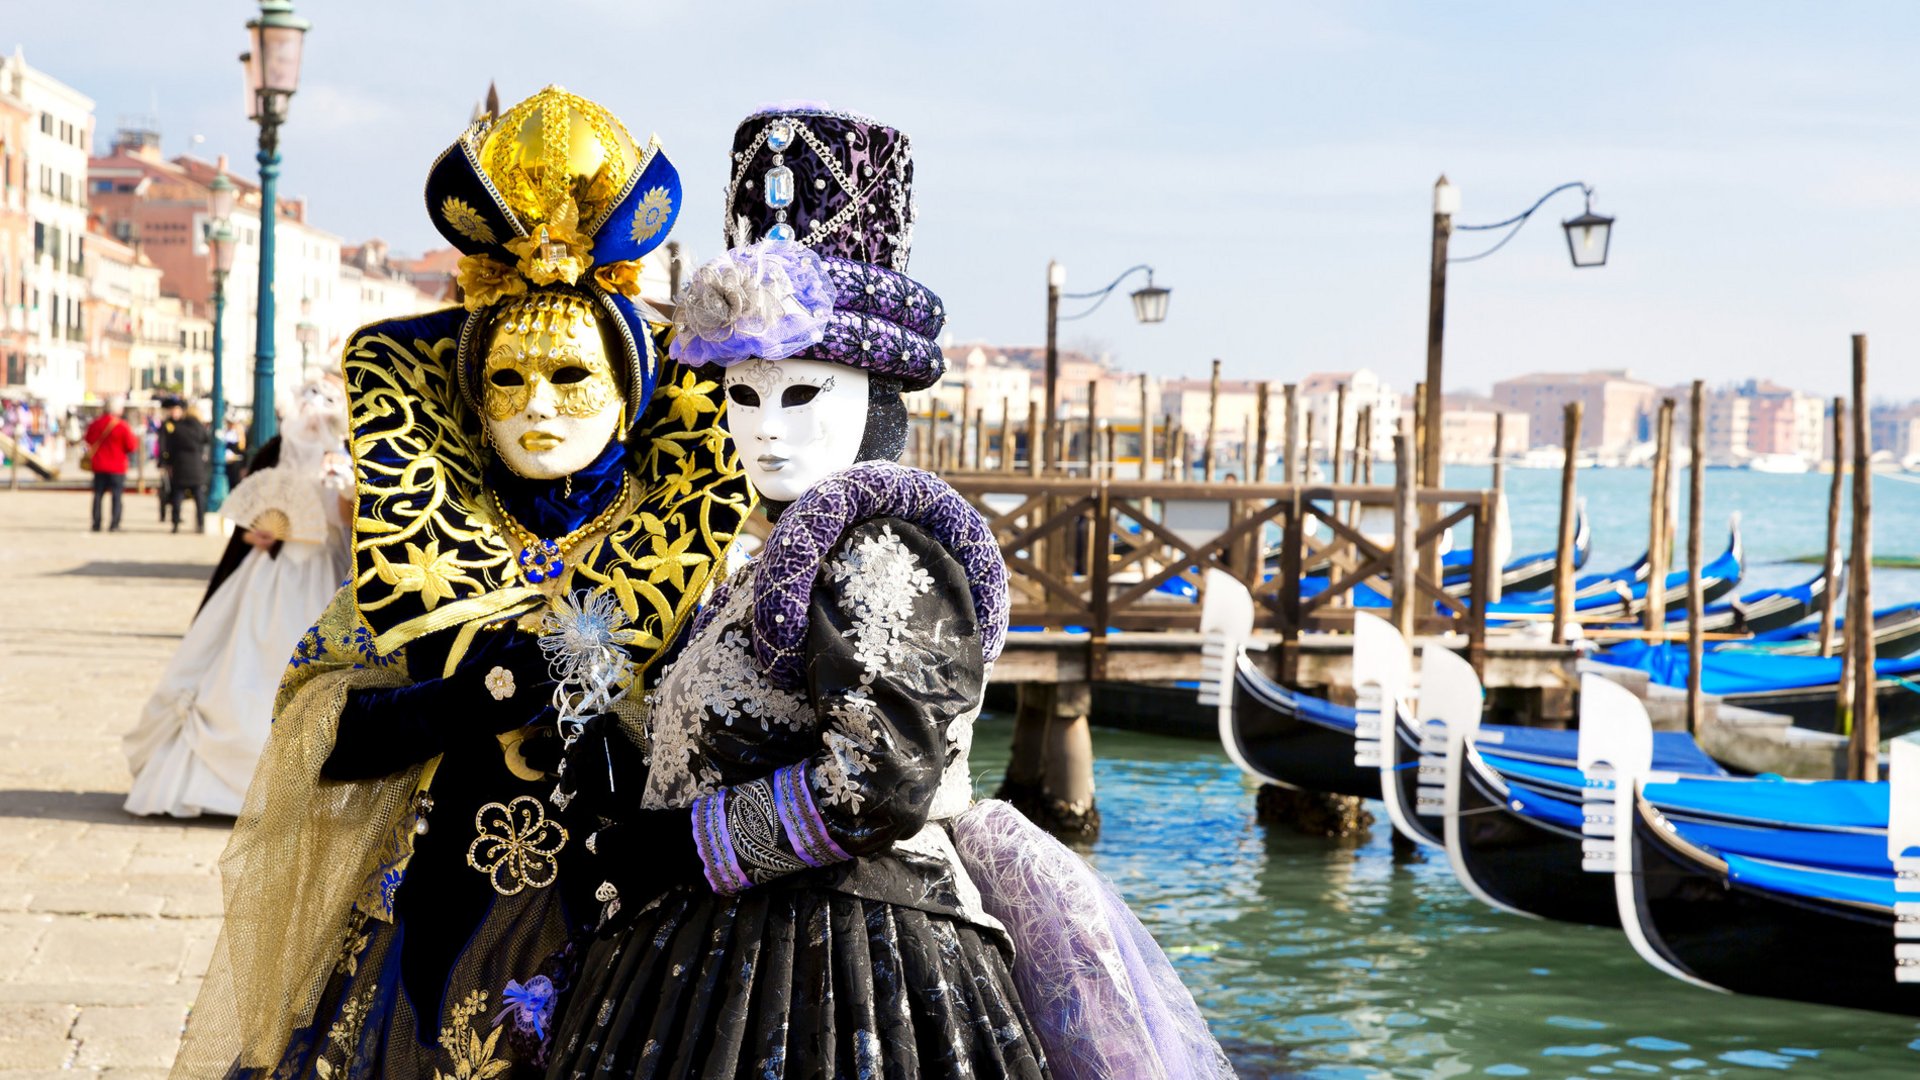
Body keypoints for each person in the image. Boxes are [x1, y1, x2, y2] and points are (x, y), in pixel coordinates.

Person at [545, 104, 1232, 1080]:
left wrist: (674, 850)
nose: (764, 430)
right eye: (741, 395)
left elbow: (879, 786)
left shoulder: (885, 547)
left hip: (850, 969)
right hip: (705, 959)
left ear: (875, 395)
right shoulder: (770, 554)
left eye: (800, 394)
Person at [169, 86, 752, 1080]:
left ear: (629, 402)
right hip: (428, 930)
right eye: (507, 383)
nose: (537, 408)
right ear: (471, 406)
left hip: (623, 935)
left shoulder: (700, 561)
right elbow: (321, 741)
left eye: (571, 379)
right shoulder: (425, 549)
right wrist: (464, 699)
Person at [123, 375, 353, 818]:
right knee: (246, 663)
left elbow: (344, 523)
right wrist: (264, 534)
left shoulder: (343, 463)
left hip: (320, 576)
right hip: (271, 577)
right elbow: (254, 528)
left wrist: (347, 489)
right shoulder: (274, 458)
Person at [83, 397, 138, 532]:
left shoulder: (95, 423)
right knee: (117, 496)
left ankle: (96, 523)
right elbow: (131, 446)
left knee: (98, 495)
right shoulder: (122, 425)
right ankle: (114, 524)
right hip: (117, 466)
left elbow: (88, 439)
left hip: (99, 465)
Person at [159, 396, 211, 533]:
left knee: (178, 495)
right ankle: (201, 524)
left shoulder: (178, 427)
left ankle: (175, 524)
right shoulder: (200, 428)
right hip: (197, 465)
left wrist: (167, 463)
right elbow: (207, 441)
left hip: (180, 465)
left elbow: (168, 447)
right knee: (199, 496)